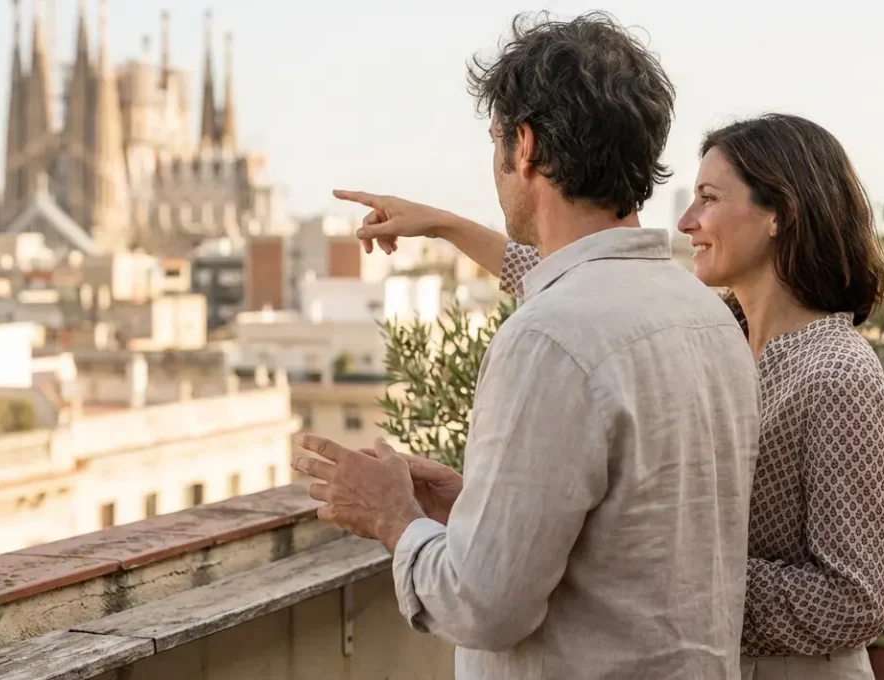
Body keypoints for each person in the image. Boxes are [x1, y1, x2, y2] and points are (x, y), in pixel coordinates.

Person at [340, 113, 884, 680]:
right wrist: (441, 226)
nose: (685, 221)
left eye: (708, 199)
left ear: (779, 215)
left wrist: (660, 569)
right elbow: (570, 280)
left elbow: (854, 599)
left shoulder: (840, 376)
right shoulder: (714, 329)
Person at [291, 11, 760, 680]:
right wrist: (479, 507)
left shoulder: (550, 338)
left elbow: (483, 607)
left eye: (494, 140)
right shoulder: (705, 315)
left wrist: (392, 517)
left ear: (527, 147)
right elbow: (632, 533)